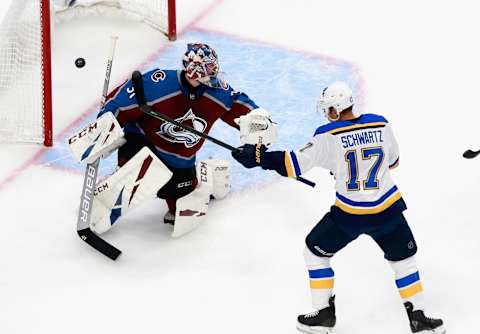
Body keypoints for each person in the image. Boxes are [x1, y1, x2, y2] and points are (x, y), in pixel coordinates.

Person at [231, 81, 445, 334]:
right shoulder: (381, 123)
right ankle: (419, 320)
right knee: (404, 262)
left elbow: (292, 164)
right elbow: (393, 162)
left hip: (350, 216)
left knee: (315, 252)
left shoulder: (327, 135)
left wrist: (258, 157)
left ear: (334, 109)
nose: (326, 114)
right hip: (388, 210)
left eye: (327, 109)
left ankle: (323, 316)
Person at [95, 43, 274, 226]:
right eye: (207, 68)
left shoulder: (219, 93)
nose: (213, 73)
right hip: (143, 145)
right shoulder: (159, 82)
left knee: (183, 213)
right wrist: (104, 129)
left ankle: (207, 175)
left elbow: (251, 116)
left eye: (213, 66)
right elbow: (118, 105)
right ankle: (106, 199)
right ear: (194, 69)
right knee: (134, 176)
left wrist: (256, 145)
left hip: (180, 162)